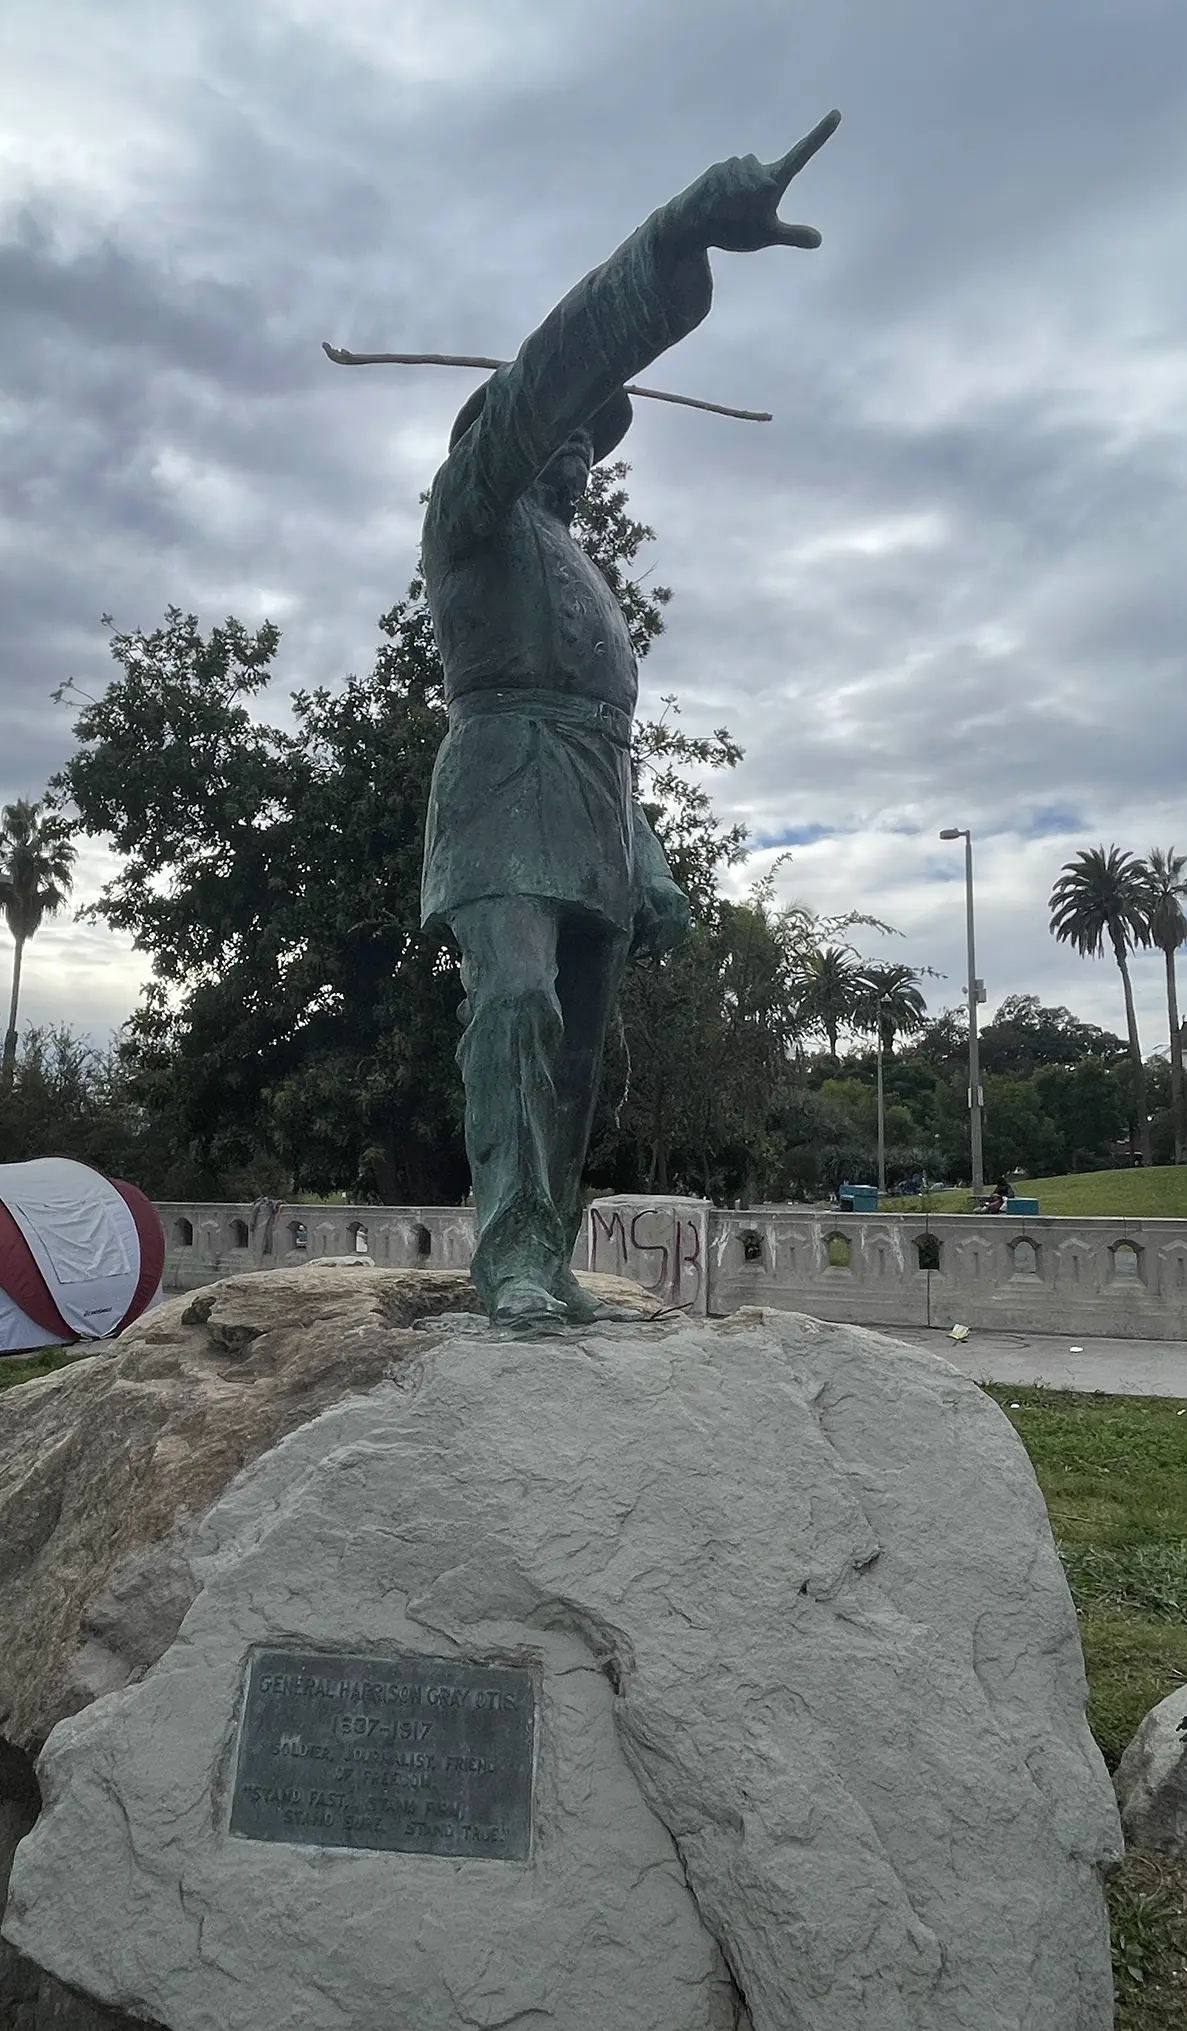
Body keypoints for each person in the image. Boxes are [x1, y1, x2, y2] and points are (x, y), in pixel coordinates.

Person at [419, 113, 839, 1328]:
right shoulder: (472, 515)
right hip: (500, 787)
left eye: (595, 444)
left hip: (590, 807)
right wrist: (676, 232)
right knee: (516, 1005)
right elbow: (546, 375)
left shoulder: (585, 572)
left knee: (583, 1054)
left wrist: (644, 850)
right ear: (515, 438)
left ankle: (547, 1247)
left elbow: (609, 729)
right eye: (568, 430)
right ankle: (505, 1248)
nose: (584, 455)